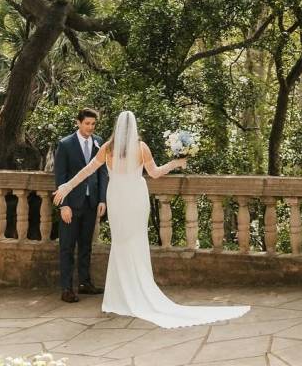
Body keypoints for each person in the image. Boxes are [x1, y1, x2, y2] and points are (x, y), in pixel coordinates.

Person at [53, 110, 250, 328]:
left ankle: (119, 296)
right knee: (136, 242)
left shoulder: (108, 148)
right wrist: (176, 163)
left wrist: (66, 186)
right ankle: (137, 291)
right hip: (135, 197)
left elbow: (86, 171)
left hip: (116, 196)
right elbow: (155, 173)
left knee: (121, 243)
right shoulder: (141, 147)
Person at [53, 108, 109, 303]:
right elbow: (60, 176)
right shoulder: (65, 144)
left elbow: (103, 173)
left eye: (93, 124)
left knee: (86, 246)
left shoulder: (99, 142)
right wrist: (64, 205)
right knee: (67, 247)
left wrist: (102, 199)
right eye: (87, 124)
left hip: (91, 203)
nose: (90, 127)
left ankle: (85, 283)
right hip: (71, 205)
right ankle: (67, 289)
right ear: (78, 123)